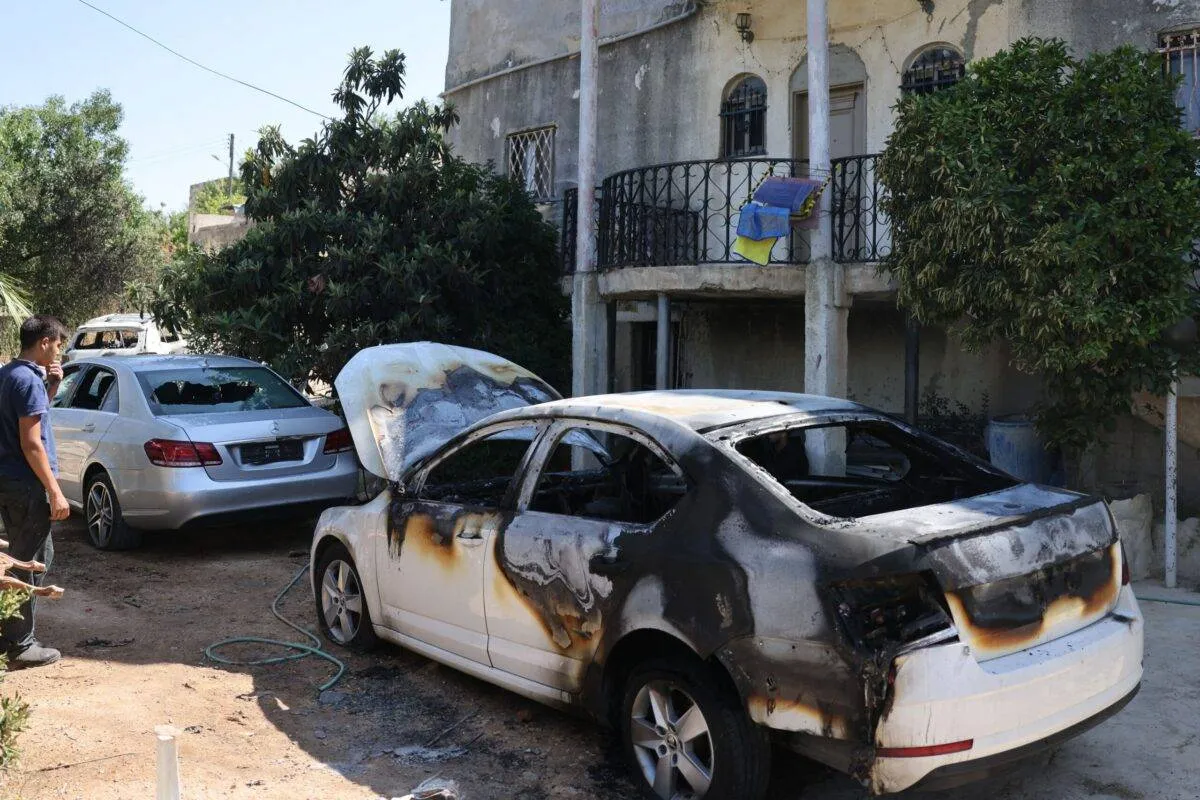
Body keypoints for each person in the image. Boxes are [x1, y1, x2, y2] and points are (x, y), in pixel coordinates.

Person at [0, 315, 70, 669]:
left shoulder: (8, 374)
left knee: (20, 559)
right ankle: (20, 645)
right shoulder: (27, 381)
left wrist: (52, 387)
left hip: (10, 483)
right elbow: (31, 444)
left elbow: (26, 427)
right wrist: (54, 490)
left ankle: (9, 634)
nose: (59, 351)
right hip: (27, 486)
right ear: (44, 343)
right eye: (58, 344)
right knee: (32, 562)